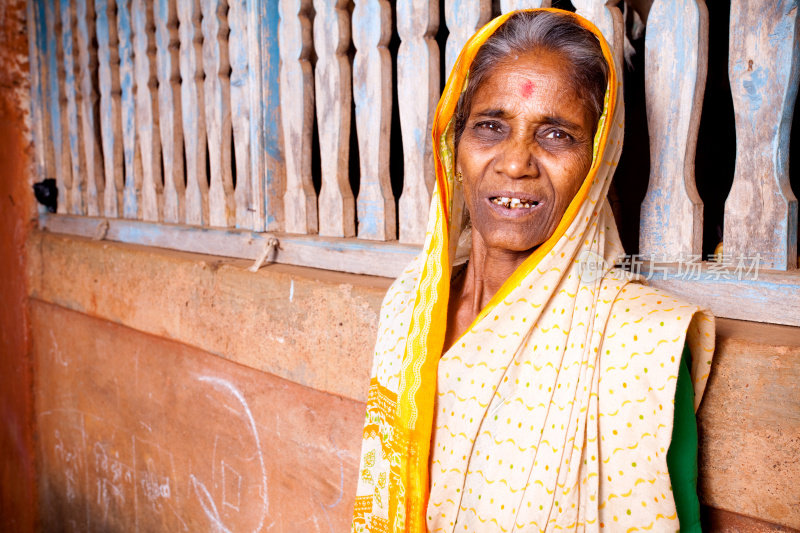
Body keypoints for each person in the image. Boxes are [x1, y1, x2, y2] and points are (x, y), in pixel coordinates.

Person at [352, 8, 715, 533]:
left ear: (596, 162)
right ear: (453, 145)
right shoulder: (408, 307)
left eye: (556, 135)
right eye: (490, 127)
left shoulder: (640, 344)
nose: (516, 162)